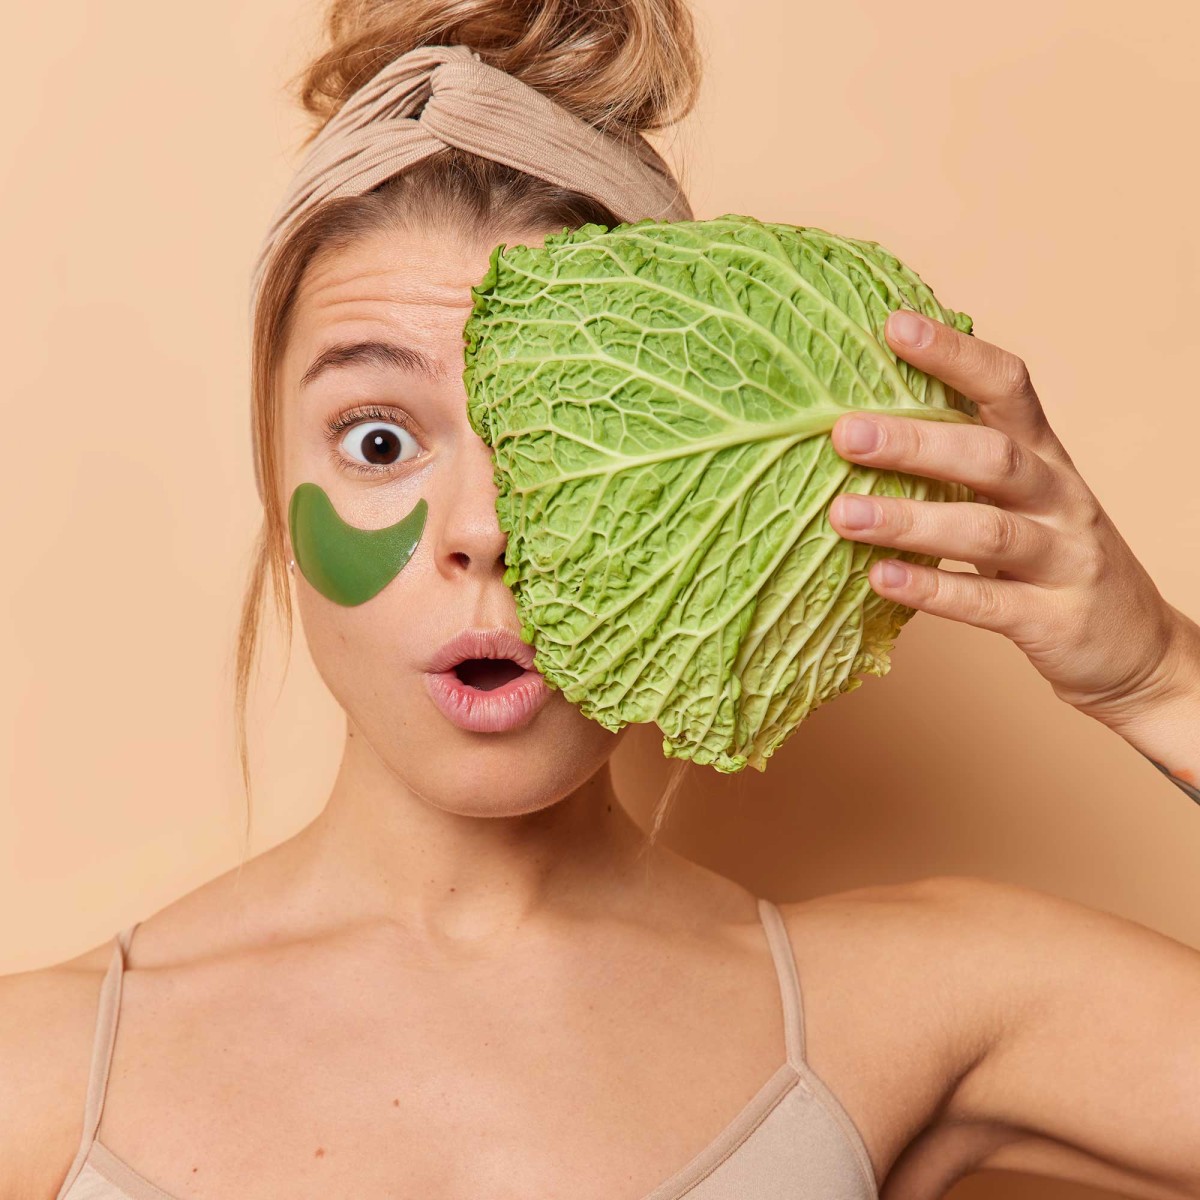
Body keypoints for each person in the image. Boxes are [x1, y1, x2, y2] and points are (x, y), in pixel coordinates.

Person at [4, 2, 1199, 1198]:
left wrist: (1162, 682)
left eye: (558, 439)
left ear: (706, 489)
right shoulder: (43, 1073)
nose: (481, 531)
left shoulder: (909, 1009)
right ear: (274, 480)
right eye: (378, 439)